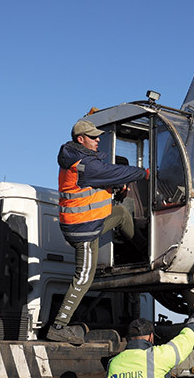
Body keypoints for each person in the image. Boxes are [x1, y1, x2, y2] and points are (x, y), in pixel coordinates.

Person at [51, 118, 149, 345]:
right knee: (84, 277)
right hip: (83, 228)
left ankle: (144, 252)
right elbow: (111, 171)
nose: (98, 140)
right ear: (80, 139)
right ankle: (59, 326)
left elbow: (96, 182)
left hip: (89, 220)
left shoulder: (78, 158)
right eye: (93, 137)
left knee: (122, 214)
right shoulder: (84, 165)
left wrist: (113, 186)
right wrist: (143, 173)